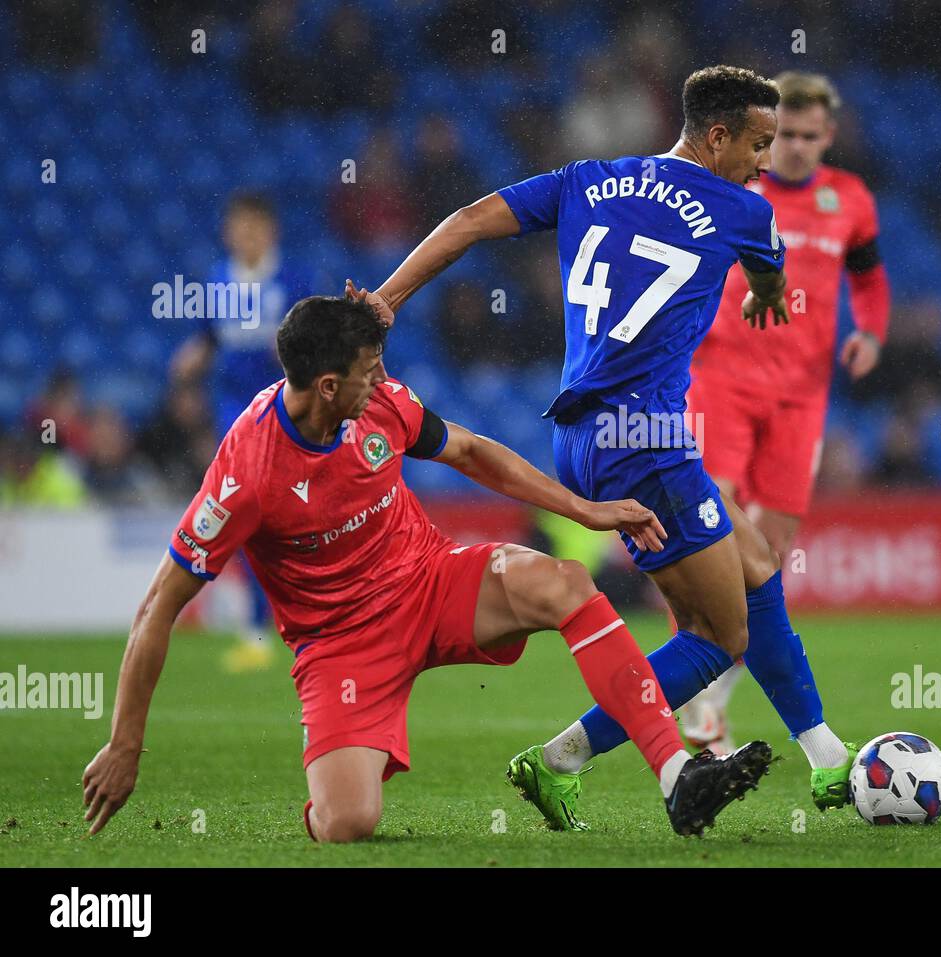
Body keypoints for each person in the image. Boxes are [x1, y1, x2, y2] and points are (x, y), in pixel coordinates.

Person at [347, 65, 857, 830]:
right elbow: (771, 267)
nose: (765, 159)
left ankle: (825, 756)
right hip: (647, 441)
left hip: (579, 436)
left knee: (755, 566)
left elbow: (466, 220)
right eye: (757, 143)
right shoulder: (744, 209)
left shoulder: (588, 178)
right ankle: (560, 759)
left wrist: (386, 298)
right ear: (716, 138)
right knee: (719, 635)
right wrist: (768, 294)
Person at [81, 297, 773, 842]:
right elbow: (158, 608)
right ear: (327, 384)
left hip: (430, 579)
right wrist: (124, 743)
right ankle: (333, 787)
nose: (381, 378)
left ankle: (675, 773)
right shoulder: (247, 475)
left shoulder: (380, 404)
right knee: (350, 821)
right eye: (366, 370)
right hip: (340, 642)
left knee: (565, 582)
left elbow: (471, 452)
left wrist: (581, 508)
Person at [678, 71, 891, 753]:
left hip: (803, 396)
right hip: (724, 381)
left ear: (827, 135)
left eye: (806, 135)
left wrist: (872, 330)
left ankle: (708, 692)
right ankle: (696, 699)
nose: (793, 147)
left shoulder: (850, 199)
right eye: (783, 135)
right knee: (715, 535)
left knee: (770, 556)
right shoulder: (736, 183)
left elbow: (870, 278)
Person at [171, 191, 315, 671]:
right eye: (237, 226)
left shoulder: (292, 280)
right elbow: (211, 336)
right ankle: (257, 630)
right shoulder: (218, 279)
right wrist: (196, 356)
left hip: (284, 414)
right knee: (249, 518)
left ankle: (281, 623)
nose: (244, 235)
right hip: (234, 416)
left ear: (269, 230)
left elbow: (314, 344)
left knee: (274, 520)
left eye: (253, 227)